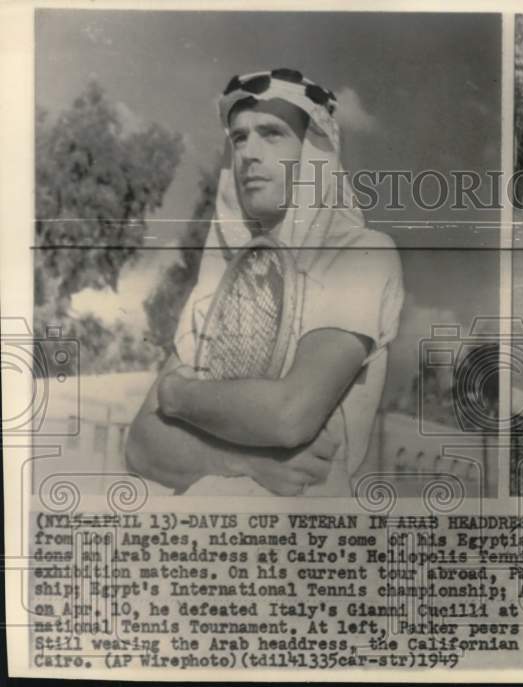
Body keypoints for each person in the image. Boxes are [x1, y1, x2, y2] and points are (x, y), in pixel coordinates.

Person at [126, 68, 405, 496]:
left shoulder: (362, 253)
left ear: (314, 154)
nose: (248, 154)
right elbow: (142, 446)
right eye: (239, 138)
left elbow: (288, 415)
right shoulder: (221, 278)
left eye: (271, 134)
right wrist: (242, 461)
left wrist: (176, 394)